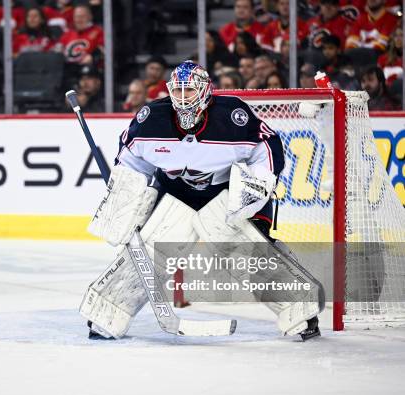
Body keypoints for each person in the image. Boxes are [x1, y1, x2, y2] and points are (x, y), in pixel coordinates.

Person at [82, 61, 321, 341]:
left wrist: (260, 180)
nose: (183, 98)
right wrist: (126, 195)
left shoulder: (231, 115)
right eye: (178, 91)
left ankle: (301, 312)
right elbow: (131, 159)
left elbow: (267, 145)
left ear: (206, 92)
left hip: (223, 193)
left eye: (190, 90)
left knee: (246, 252)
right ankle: (108, 312)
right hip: (175, 191)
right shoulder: (151, 118)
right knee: (151, 250)